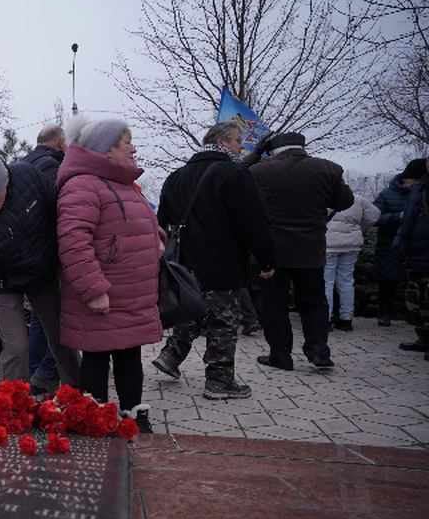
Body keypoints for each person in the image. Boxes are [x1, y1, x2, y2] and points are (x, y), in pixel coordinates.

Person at [151, 122, 276, 399]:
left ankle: (171, 355)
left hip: (184, 262)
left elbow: (162, 222)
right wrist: (267, 260)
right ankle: (220, 381)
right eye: (236, 141)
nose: (241, 147)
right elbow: (254, 223)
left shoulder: (176, 177)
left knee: (194, 308)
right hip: (223, 261)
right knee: (223, 320)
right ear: (221, 142)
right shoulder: (234, 174)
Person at [57, 115, 165, 433]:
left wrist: (157, 238)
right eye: (126, 142)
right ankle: (95, 419)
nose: (133, 148)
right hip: (104, 294)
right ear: (106, 151)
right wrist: (93, 289)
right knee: (96, 357)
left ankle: (132, 416)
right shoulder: (82, 185)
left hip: (129, 292)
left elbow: (137, 220)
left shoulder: (120, 183)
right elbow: (74, 241)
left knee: (130, 354)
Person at [0, 148, 81, 387]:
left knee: (63, 337)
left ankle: (81, 398)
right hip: (1, 282)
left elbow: (60, 218)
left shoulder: (29, 177)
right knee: (16, 347)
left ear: (7, 182)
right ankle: (11, 409)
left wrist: (65, 264)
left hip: (43, 272)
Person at [244, 132, 354, 370]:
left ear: (271, 152)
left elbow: (233, 176)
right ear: (303, 147)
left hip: (272, 253)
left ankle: (280, 356)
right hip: (311, 250)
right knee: (314, 302)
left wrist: (254, 154)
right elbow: (345, 202)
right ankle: (318, 351)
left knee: (275, 306)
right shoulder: (329, 169)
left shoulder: (259, 172)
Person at [21, 125, 67, 394]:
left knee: (40, 317)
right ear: (60, 142)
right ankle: (47, 371)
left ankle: (34, 373)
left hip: (28, 255)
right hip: (50, 253)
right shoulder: (52, 166)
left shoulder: (23, 164)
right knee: (55, 317)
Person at [374, 158, 427, 326]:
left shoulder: (422, 192)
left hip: (414, 246)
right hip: (389, 243)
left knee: (413, 282)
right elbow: (375, 216)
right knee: (387, 282)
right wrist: (397, 217)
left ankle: (414, 317)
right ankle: (384, 314)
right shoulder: (386, 194)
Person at [324, 194, 380, 330]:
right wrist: (359, 227)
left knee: (326, 282)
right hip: (352, 244)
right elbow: (374, 215)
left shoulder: (325, 197)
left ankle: (325, 319)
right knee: (347, 281)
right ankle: (346, 319)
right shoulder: (358, 198)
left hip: (328, 244)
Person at [393, 153, 429, 360]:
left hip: (423, 251)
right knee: (415, 300)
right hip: (415, 253)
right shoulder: (420, 189)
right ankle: (423, 338)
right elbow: (409, 220)